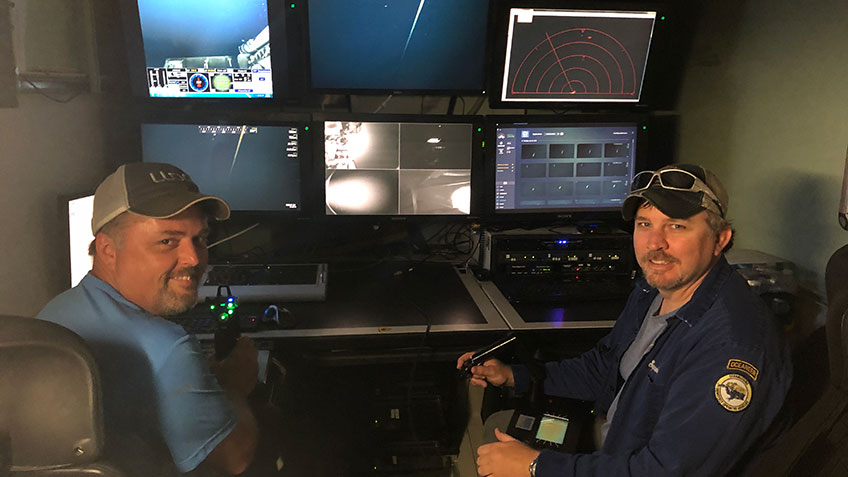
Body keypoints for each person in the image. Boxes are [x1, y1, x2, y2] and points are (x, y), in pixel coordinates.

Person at [457, 164, 793, 477]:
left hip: (629, 462)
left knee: (489, 450)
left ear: (721, 239)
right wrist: (513, 375)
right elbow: (604, 369)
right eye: (645, 224)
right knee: (492, 433)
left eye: (677, 226)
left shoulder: (731, 346)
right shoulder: (654, 290)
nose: (655, 244)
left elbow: (664, 471)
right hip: (616, 443)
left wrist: (537, 467)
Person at [38, 163, 259, 476]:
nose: (194, 259)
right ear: (107, 249)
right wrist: (236, 386)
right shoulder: (168, 346)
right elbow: (234, 459)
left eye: (200, 239)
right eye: (168, 241)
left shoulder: (51, 316)